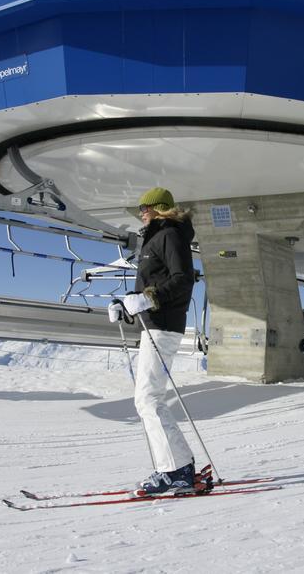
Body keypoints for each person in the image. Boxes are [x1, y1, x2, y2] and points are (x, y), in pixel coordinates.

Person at [119, 187, 197, 494]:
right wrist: (126, 304)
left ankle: (175, 471)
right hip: (152, 325)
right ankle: (178, 467)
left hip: (163, 325)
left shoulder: (170, 235)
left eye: (145, 206)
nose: (141, 212)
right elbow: (152, 285)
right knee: (147, 399)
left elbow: (182, 279)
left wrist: (148, 298)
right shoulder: (154, 238)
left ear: (160, 207)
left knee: (149, 399)